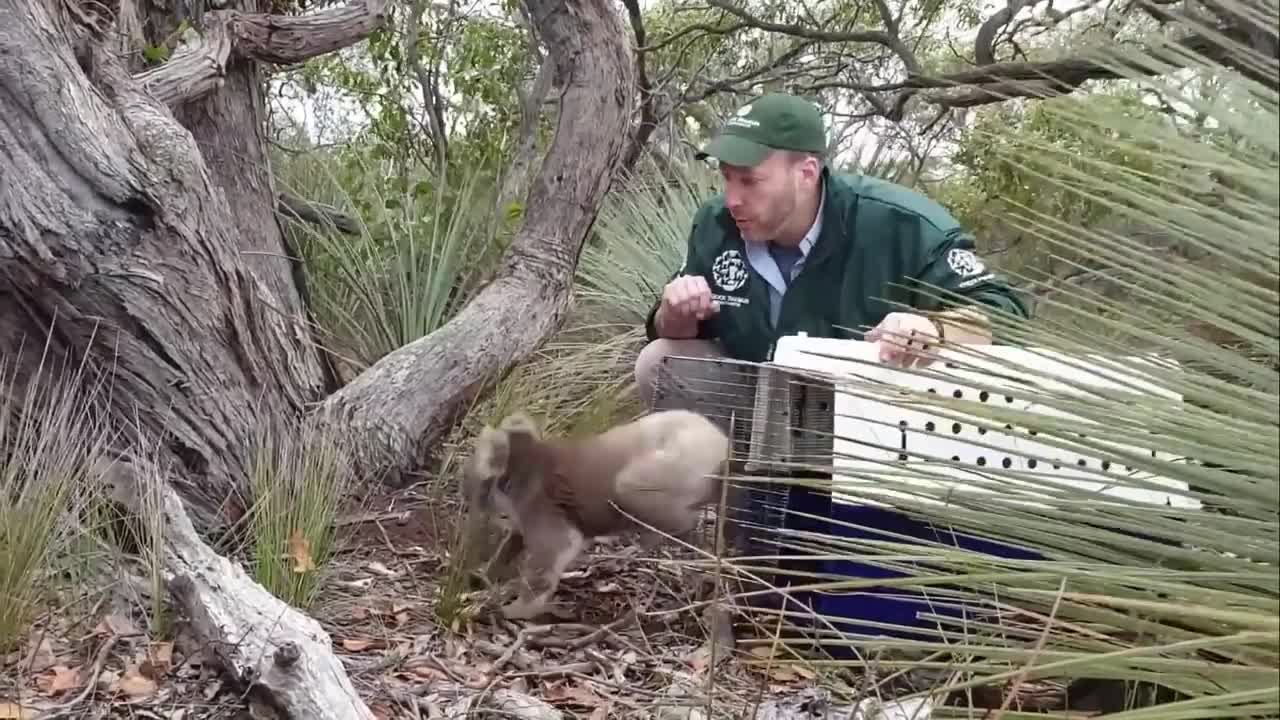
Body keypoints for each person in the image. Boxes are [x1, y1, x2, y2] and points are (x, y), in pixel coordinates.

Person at [634, 93, 1030, 406]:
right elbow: (675, 332)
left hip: (862, 407)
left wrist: (934, 330)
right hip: (753, 400)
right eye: (726, 178)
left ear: (805, 173)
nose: (732, 198)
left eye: (750, 181)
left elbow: (1008, 315)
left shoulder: (900, 224)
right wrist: (674, 313)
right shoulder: (715, 224)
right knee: (660, 361)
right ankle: (729, 496)